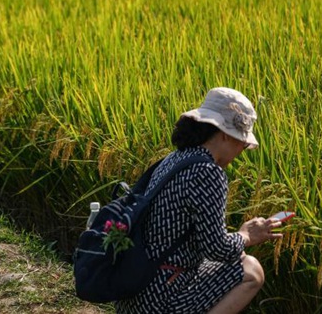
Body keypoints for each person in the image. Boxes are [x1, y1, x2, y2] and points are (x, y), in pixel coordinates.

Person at [115, 87, 282, 313]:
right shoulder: (208, 172)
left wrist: (238, 243)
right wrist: (247, 235)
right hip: (160, 298)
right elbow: (217, 248)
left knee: (239, 256)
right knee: (252, 270)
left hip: (135, 288)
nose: (242, 149)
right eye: (243, 143)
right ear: (225, 134)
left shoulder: (175, 159)